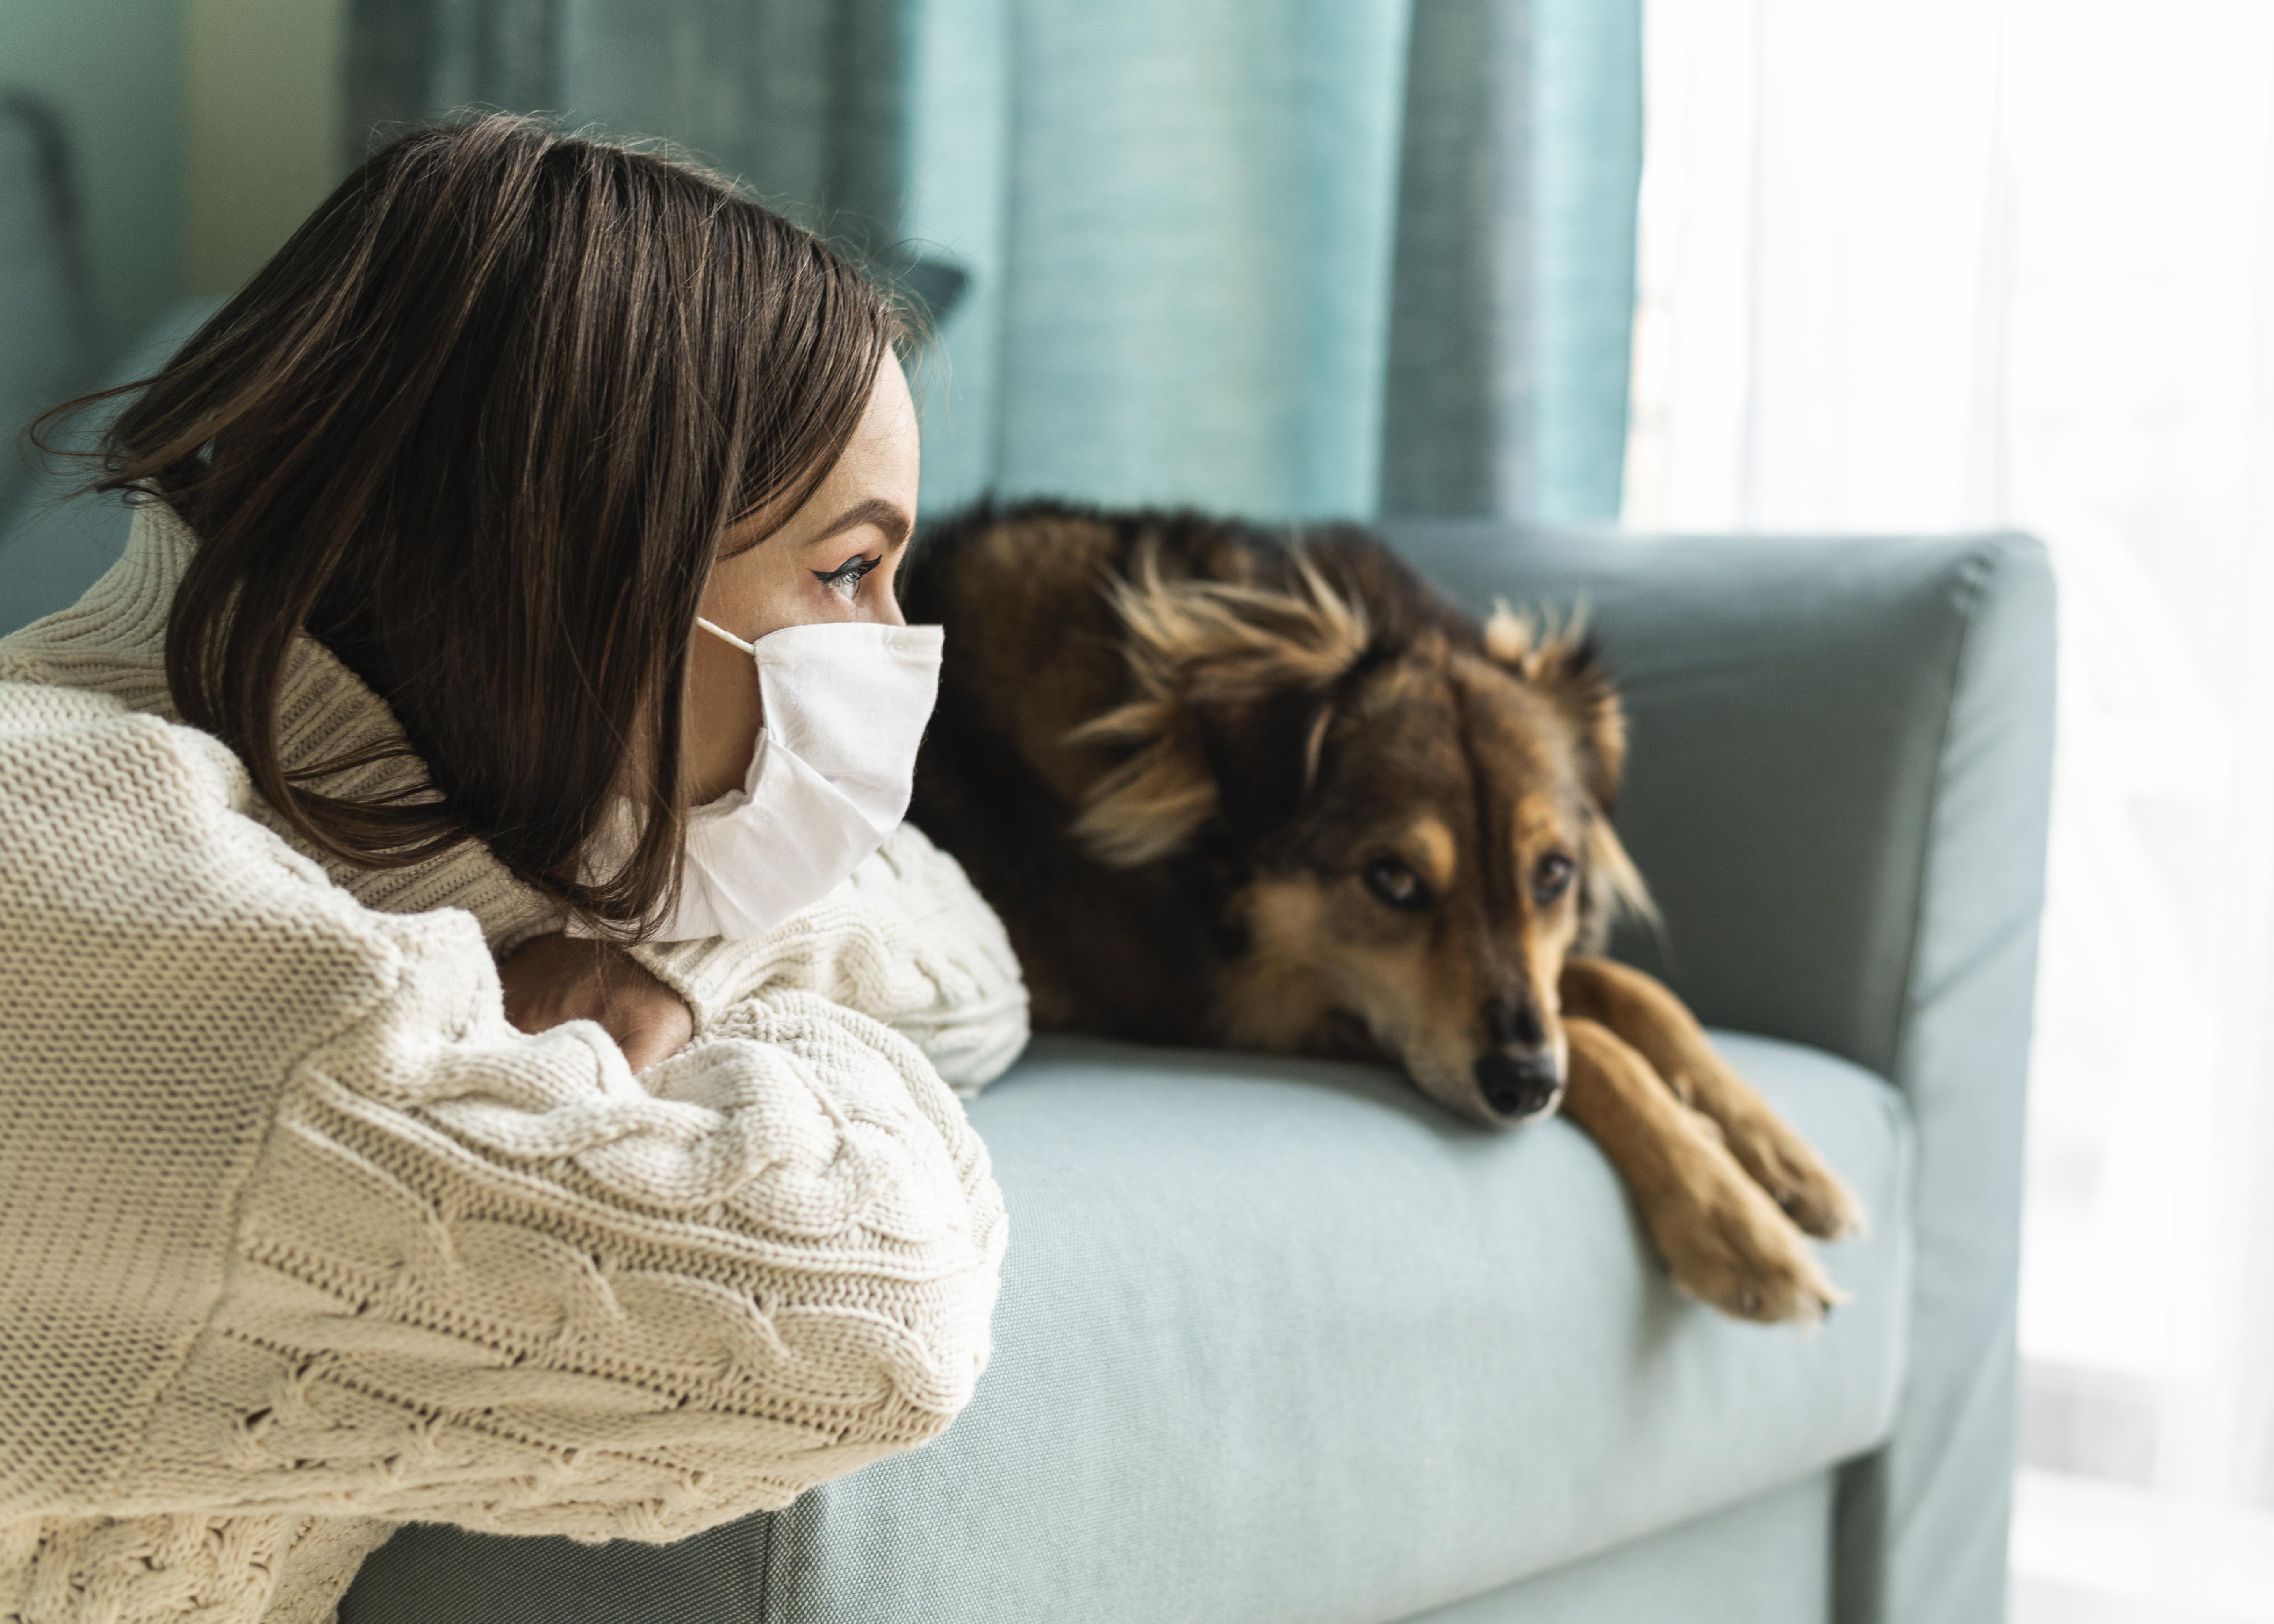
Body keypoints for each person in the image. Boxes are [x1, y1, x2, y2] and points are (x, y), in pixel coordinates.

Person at [0, 115, 1025, 1624]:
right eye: (845, 570)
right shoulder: (75, 854)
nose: (886, 655)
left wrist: (666, 957)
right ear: (582, 560)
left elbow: (965, 965)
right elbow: (869, 1326)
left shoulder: (482, 854)